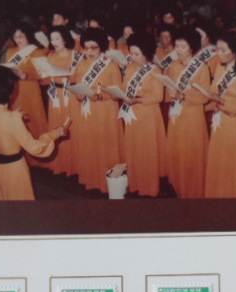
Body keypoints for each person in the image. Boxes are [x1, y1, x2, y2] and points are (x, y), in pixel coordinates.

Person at [0, 68, 68, 201]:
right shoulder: (12, 119)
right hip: (14, 170)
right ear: (10, 92)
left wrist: (14, 116)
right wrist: (55, 134)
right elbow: (35, 148)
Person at [69, 26, 122, 194]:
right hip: (88, 111)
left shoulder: (111, 65)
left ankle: (109, 184)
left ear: (102, 46)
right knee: (90, 145)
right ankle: (91, 180)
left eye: (93, 48)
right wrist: (79, 95)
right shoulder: (82, 63)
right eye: (86, 48)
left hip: (106, 112)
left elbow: (117, 94)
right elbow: (78, 84)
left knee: (106, 147)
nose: (89, 52)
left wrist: (99, 96)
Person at [203, 32, 236, 198]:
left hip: (234, 124)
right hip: (219, 121)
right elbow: (213, 89)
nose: (219, 53)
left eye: (223, 50)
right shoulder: (220, 67)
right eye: (217, 49)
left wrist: (220, 102)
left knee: (231, 162)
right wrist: (209, 95)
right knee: (219, 160)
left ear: (235, 51)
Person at [165, 27, 211, 199]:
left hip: (192, 117)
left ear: (192, 48)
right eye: (177, 46)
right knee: (177, 153)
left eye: (182, 47)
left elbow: (204, 97)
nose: (178, 50)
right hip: (176, 115)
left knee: (191, 155)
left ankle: (193, 194)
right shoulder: (173, 66)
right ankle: (177, 190)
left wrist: (183, 96)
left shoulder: (202, 68)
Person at [119, 32, 166, 197]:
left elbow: (158, 96)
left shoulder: (155, 70)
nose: (133, 57)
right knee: (134, 148)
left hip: (147, 115)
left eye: (136, 54)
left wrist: (138, 100)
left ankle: (149, 188)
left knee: (147, 151)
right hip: (132, 114)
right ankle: (135, 184)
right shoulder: (130, 67)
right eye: (131, 53)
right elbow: (124, 87)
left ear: (146, 53)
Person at [43, 26, 79, 176]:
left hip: (70, 95)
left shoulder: (75, 55)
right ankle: (61, 164)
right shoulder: (50, 56)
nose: (54, 42)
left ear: (65, 38)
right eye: (52, 39)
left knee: (72, 128)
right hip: (55, 96)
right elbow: (46, 80)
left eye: (57, 38)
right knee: (57, 126)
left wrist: (67, 77)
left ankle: (76, 166)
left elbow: (79, 77)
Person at [3, 23, 49, 141]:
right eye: (15, 37)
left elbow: (46, 78)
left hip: (31, 91)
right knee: (17, 121)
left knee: (34, 120)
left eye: (21, 36)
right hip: (14, 91)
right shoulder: (10, 52)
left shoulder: (37, 52)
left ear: (28, 35)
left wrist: (27, 76)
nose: (18, 40)